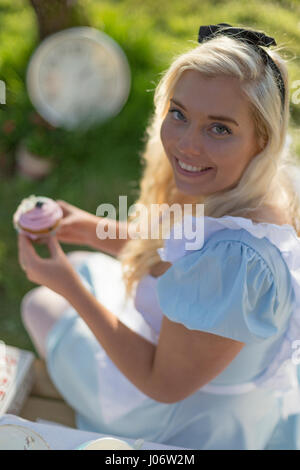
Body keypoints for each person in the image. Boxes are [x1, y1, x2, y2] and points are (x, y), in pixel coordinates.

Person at [17, 23, 300, 450]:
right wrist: (88, 227)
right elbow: (178, 253)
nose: (187, 145)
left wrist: (65, 286)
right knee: (85, 263)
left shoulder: (235, 260)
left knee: (40, 304)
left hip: (186, 419)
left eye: (219, 128)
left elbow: (161, 383)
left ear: (263, 137)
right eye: (179, 114)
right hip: (221, 377)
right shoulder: (261, 188)